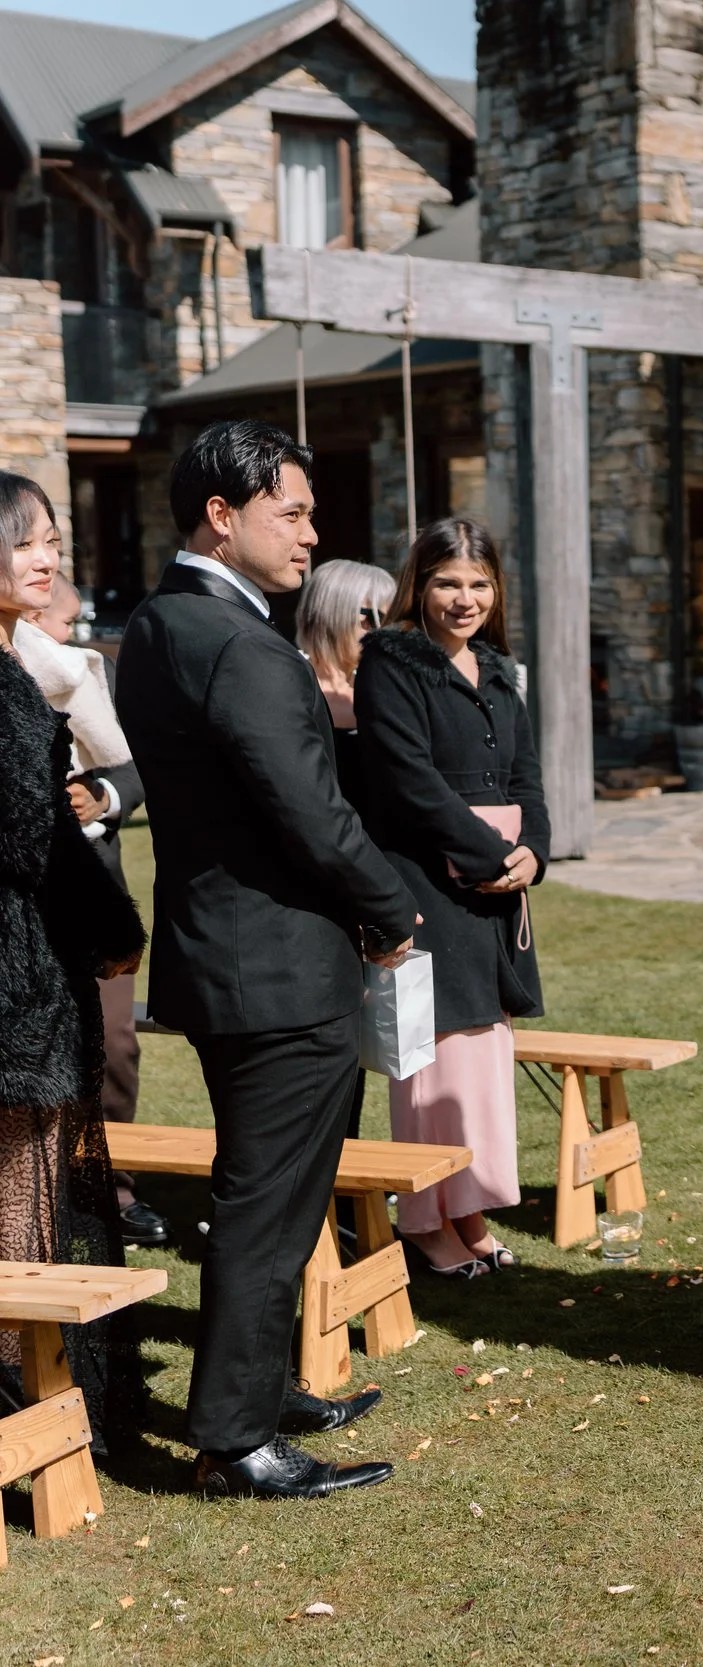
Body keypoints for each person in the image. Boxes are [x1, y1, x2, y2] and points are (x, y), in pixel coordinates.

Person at [117, 419, 419, 1500]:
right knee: (267, 1200)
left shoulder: (157, 624)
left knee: (279, 1193)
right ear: (222, 513)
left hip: (228, 953)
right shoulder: (238, 643)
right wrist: (393, 910)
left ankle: (261, 1383)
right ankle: (235, 1436)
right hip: (278, 963)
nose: (311, 531)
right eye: (292, 510)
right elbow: (310, 812)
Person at [350, 520, 546, 1278]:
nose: (464, 599)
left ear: (495, 591)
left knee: (480, 1056)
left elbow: (527, 775)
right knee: (431, 1061)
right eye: (447, 583)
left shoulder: (498, 671)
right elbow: (406, 782)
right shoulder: (391, 664)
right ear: (419, 586)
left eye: (478, 584)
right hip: (430, 880)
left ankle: (471, 1210)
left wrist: (536, 853)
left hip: (496, 892)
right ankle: (427, 1219)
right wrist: (490, 855)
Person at [0, 473, 146, 1439]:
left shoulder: (20, 667)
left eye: (52, 540)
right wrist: (113, 928)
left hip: (29, 968)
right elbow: (30, 838)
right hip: (15, 981)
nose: (47, 558)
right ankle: (17, 1392)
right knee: (19, 1192)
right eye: (25, 543)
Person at [21, 576, 162, 1246]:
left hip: (98, 894)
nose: (75, 636)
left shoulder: (93, 672)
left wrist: (102, 795)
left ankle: (118, 1186)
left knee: (114, 1045)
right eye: (63, 623)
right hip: (26, 905)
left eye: (78, 622)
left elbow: (143, 762)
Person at [294, 558, 398, 806]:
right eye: (372, 618)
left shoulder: (386, 690)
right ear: (334, 613)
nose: (384, 631)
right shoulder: (289, 684)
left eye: (393, 621)